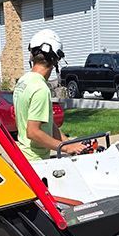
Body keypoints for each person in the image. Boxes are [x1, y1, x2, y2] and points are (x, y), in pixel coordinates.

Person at [14, 29, 85, 160]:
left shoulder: (23, 81)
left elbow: (48, 124)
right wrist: (66, 148)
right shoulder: (40, 88)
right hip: (35, 162)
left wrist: (69, 143)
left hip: (24, 157)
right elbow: (33, 132)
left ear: (32, 54)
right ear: (55, 60)